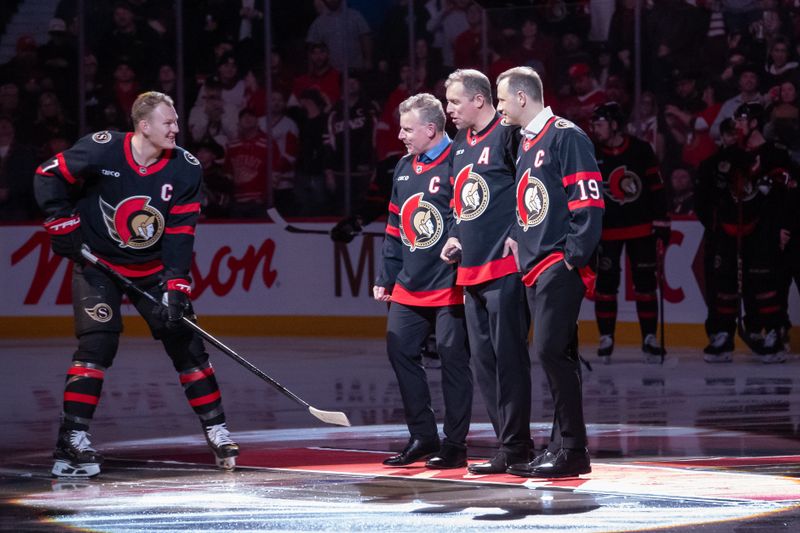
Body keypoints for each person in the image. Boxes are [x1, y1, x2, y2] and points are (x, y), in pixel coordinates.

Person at [33, 91, 239, 478]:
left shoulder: (186, 168)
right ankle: (72, 438)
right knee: (97, 343)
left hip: (153, 268)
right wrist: (60, 222)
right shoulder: (103, 148)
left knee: (187, 344)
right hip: (99, 265)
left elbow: (180, 231)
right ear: (143, 126)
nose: (176, 128)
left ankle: (216, 428)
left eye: (177, 121)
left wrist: (177, 283)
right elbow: (47, 175)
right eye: (168, 122)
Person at [496, 66, 603, 478]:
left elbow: (589, 200)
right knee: (560, 354)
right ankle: (564, 446)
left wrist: (572, 256)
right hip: (534, 265)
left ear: (523, 97)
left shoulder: (566, 135)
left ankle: (574, 449)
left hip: (558, 262)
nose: (499, 107)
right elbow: (531, 202)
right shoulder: (526, 142)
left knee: (549, 351)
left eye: (502, 99)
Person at [440, 69, 531, 474]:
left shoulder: (509, 135)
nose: (449, 110)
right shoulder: (460, 143)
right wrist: (456, 234)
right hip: (470, 271)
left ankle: (517, 446)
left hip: (505, 267)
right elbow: (462, 199)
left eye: (455, 102)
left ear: (479, 100)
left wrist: (516, 233)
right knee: (483, 364)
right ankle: (507, 445)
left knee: (509, 360)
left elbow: (530, 186)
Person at [374, 93, 472, 469]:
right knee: (399, 349)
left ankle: (455, 443)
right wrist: (387, 275)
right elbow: (395, 227)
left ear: (431, 129)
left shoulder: (459, 160)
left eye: (407, 128)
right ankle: (423, 435)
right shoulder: (402, 168)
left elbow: (471, 212)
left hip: (449, 283)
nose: (400, 135)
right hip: (409, 284)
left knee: (453, 361)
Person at [697, 103, 791, 363]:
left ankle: (773, 331)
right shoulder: (730, 156)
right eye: (736, 121)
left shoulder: (774, 153)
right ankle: (723, 335)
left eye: (742, 121)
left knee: (764, 281)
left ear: (755, 124)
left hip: (762, 228)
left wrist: (784, 227)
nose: (737, 126)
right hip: (730, 230)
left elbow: (785, 194)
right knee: (724, 281)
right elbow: (710, 192)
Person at [588, 102, 669, 364]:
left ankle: (649, 338)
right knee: (606, 285)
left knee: (646, 284)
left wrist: (662, 223)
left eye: (599, 124)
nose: (594, 129)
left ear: (614, 125)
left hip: (641, 229)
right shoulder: (590, 151)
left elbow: (657, 188)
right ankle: (606, 338)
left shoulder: (640, 150)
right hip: (606, 231)